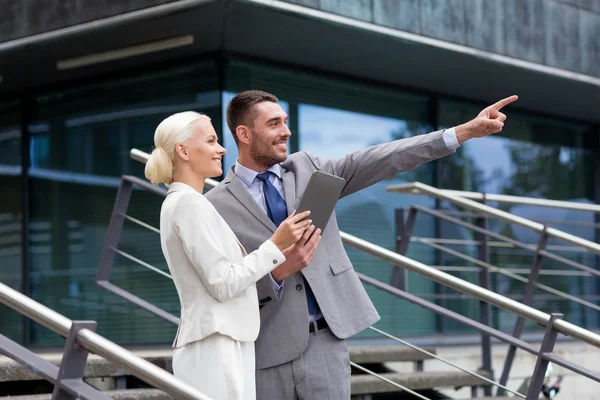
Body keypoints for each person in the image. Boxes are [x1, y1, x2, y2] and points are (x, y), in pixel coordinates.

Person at [205, 90, 518, 399]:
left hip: (325, 347)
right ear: (244, 134)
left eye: (286, 121)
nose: (286, 131)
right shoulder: (214, 205)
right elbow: (220, 286)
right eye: (274, 124)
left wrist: (463, 132)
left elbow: (384, 158)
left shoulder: (308, 167)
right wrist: (277, 272)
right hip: (265, 353)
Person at [144, 111, 318, 400]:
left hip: (224, 340)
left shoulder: (189, 202)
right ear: (183, 151)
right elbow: (223, 283)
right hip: (215, 345)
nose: (222, 148)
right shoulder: (188, 204)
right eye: (211, 141)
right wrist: (275, 245)